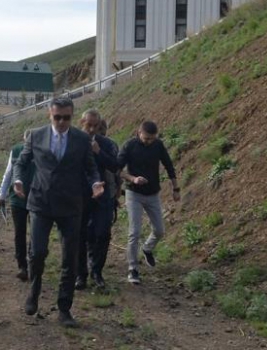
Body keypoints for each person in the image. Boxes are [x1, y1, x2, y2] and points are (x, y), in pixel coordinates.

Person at [13, 97, 104, 328]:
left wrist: (95, 184)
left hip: (71, 205)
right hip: (41, 202)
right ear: (49, 116)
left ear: (72, 117)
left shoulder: (82, 139)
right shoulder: (36, 135)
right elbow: (21, 163)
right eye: (57, 117)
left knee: (70, 257)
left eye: (67, 117)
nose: (62, 122)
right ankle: (34, 292)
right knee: (38, 252)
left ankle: (65, 308)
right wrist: (18, 180)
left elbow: (91, 169)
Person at [117, 121, 180, 285]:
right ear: (139, 132)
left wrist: (175, 188)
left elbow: (168, 165)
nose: (149, 142)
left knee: (159, 230)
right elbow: (117, 169)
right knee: (134, 232)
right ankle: (133, 268)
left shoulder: (158, 145)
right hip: (133, 193)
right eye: (146, 138)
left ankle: (147, 248)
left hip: (153, 193)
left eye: (152, 139)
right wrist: (133, 179)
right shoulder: (129, 146)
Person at [75, 109, 118, 290]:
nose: (92, 129)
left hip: (102, 196)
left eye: (96, 126)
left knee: (102, 233)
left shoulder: (107, 144)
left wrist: (98, 152)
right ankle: (80, 274)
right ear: (81, 123)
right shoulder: (72, 142)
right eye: (88, 125)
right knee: (79, 235)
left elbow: (115, 166)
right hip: (79, 196)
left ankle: (97, 271)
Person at [0, 130, 36, 281]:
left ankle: (33, 263)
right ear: (23, 140)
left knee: (35, 234)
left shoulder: (42, 152)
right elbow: (8, 174)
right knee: (19, 232)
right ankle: (22, 266)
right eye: (27, 142)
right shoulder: (15, 151)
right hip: (17, 199)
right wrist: (2, 194)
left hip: (36, 200)